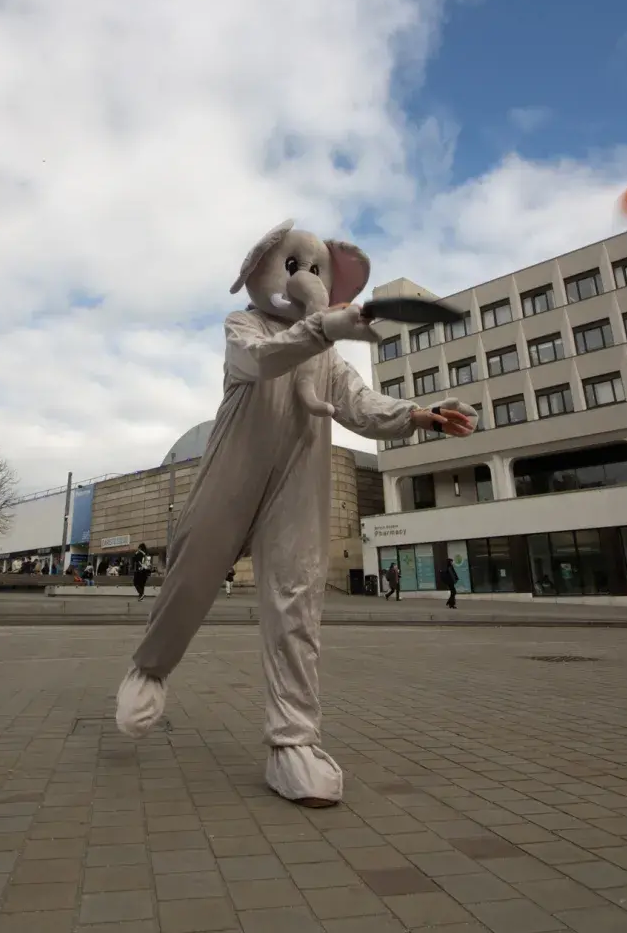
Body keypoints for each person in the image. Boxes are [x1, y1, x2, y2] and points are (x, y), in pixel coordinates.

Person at [114, 219, 477, 809]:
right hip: (232, 475)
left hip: (297, 484)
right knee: (191, 575)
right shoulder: (243, 326)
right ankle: (149, 668)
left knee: (297, 601)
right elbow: (261, 360)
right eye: (292, 267)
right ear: (259, 271)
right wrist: (322, 325)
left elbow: (360, 404)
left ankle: (294, 744)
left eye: (315, 270)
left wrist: (419, 414)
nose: (305, 278)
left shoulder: (329, 358)